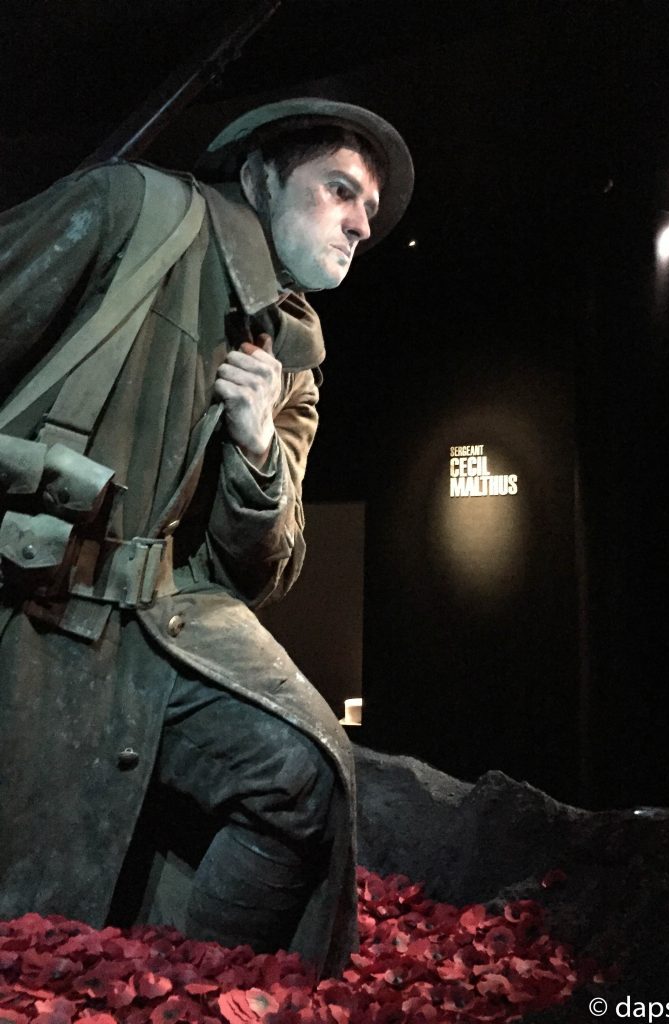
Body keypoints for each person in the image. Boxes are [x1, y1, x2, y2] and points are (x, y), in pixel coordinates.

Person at [0, 97, 413, 977]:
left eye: (369, 211)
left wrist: (257, 442)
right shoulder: (132, 210)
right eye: (340, 189)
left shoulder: (294, 352)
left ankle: (194, 990)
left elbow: (254, 570)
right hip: (22, 607)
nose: (358, 224)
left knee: (299, 775)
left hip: (150, 619)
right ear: (262, 176)